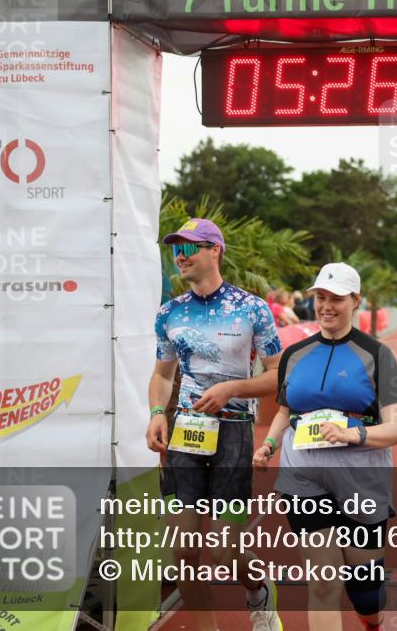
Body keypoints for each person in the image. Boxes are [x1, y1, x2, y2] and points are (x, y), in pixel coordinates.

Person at [145, 218, 284, 631]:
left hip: (234, 435)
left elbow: (280, 374)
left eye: (189, 247)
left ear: (215, 250)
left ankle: (259, 590)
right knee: (183, 552)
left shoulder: (251, 308)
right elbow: (162, 375)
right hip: (186, 434)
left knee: (224, 552)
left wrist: (233, 388)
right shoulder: (170, 313)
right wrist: (157, 413)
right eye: (176, 249)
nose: (180, 256)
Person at [254, 262, 397, 631]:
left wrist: (353, 435)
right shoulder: (296, 354)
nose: (326, 306)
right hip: (304, 477)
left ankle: (371, 620)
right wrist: (269, 444)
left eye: (336, 298)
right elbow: (285, 411)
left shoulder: (377, 355)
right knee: (323, 582)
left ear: (355, 300)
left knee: (366, 594)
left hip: (361, 479)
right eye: (321, 297)